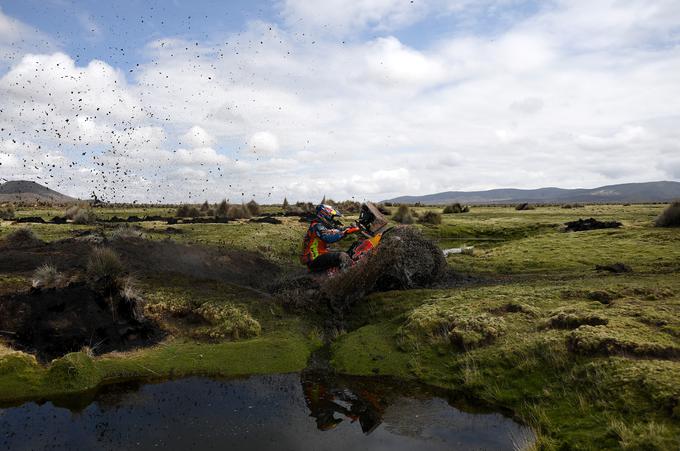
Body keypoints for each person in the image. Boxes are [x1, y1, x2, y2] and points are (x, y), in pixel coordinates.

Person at [301, 204, 360, 272]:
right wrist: (344, 233)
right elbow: (328, 238)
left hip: (321, 256)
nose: (332, 219)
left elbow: (339, 229)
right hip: (314, 259)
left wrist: (353, 228)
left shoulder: (323, 225)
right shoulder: (317, 226)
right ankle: (348, 276)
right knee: (342, 256)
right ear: (325, 215)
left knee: (354, 249)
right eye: (332, 217)